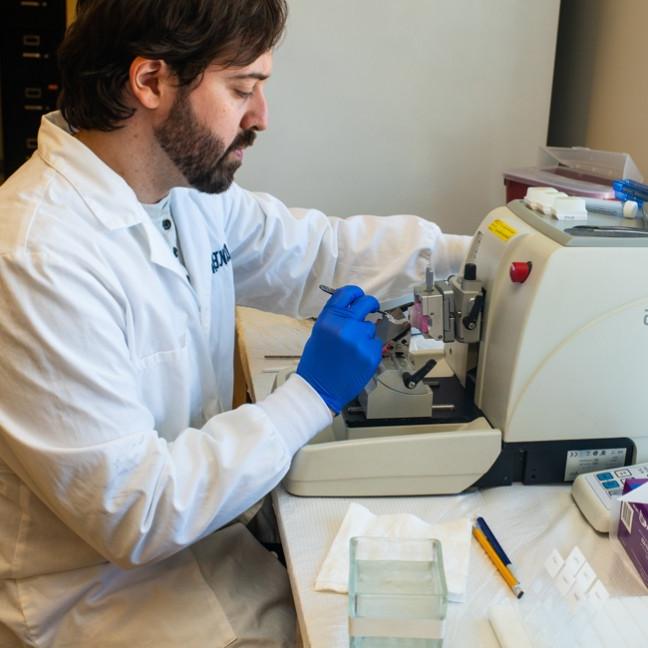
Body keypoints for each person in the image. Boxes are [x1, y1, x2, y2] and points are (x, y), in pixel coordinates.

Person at [0, 1, 471, 645]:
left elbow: (320, 253)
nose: (261, 117)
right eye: (242, 89)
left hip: (203, 550)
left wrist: (490, 251)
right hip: (99, 602)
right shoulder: (36, 254)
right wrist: (310, 397)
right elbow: (136, 511)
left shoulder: (182, 194)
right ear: (151, 82)